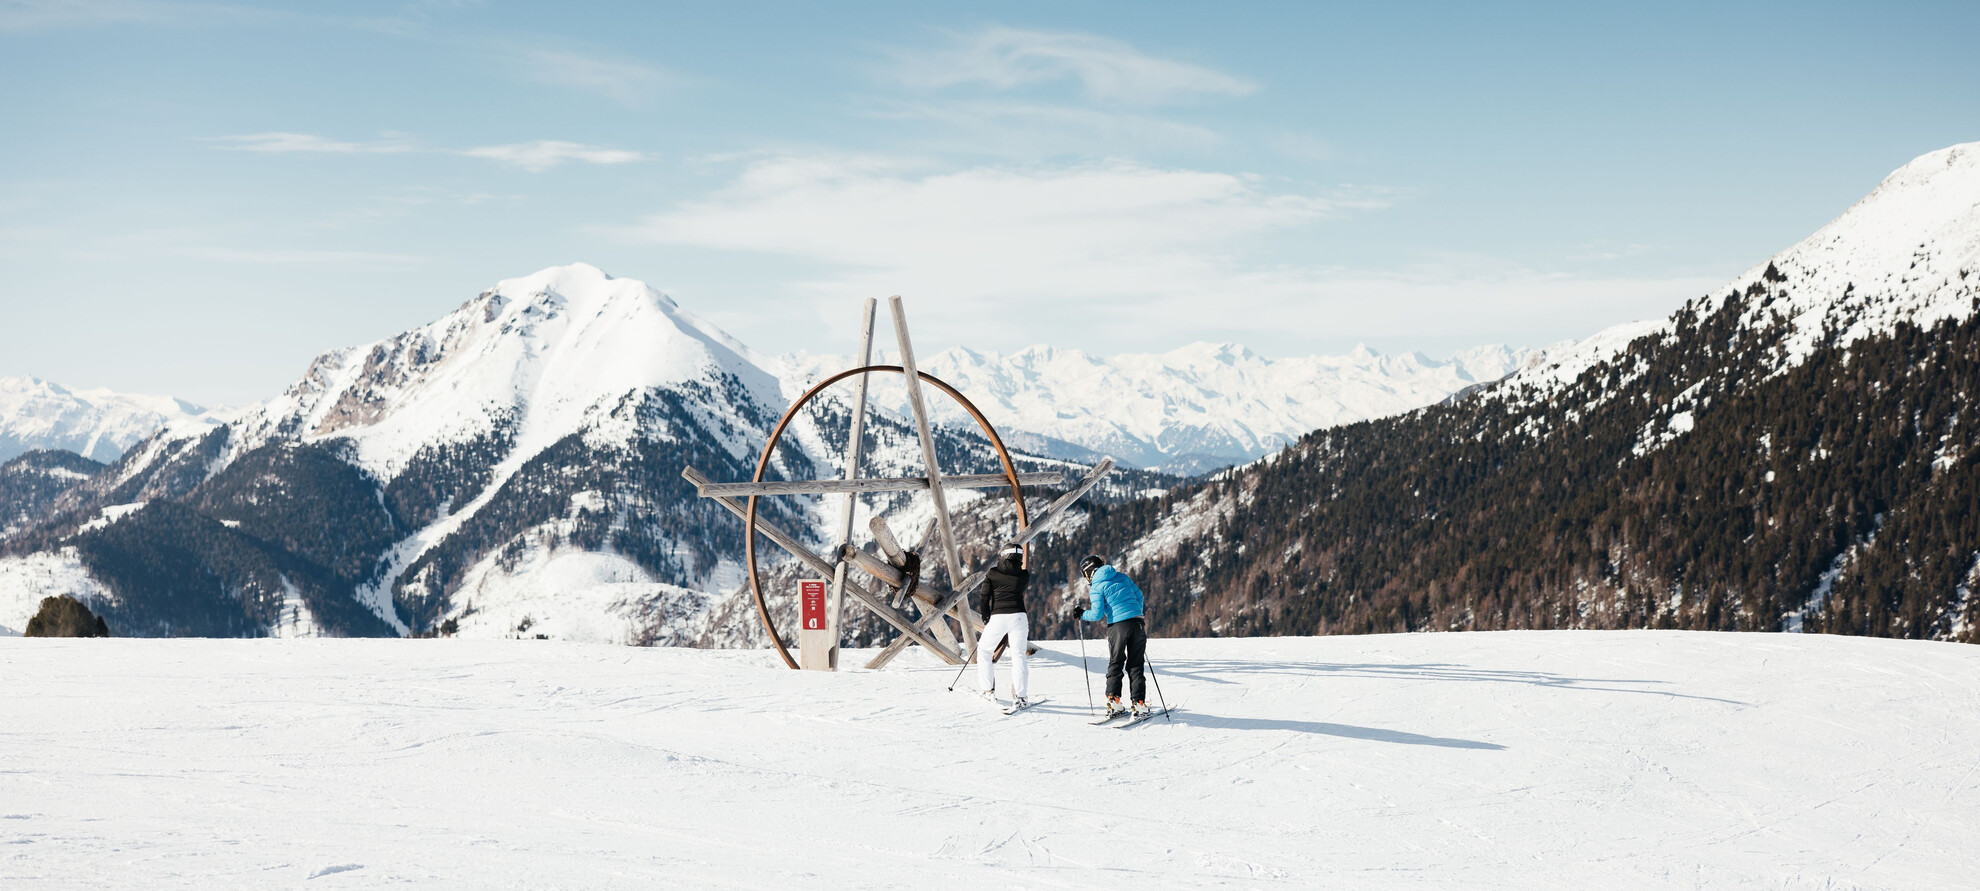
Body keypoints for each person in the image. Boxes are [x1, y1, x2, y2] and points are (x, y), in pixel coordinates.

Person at [1080, 555, 1147, 718]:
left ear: (1090, 571)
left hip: (1117, 626)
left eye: (1085, 574)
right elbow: (1140, 597)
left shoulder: (1096, 587)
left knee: (1116, 662)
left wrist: (1081, 614)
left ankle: (1114, 702)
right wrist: (1134, 612)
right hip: (1137, 623)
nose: (1086, 578)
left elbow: (1096, 614)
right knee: (1136, 664)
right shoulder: (1123, 577)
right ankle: (1139, 704)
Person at [976, 542, 1031, 706]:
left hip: (998, 617)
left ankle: (988, 691)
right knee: (1019, 655)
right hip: (1019, 617)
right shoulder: (1024, 575)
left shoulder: (992, 574)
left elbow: (984, 597)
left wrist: (986, 617)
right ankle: (1020, 697)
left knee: (984, 651)